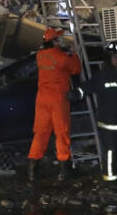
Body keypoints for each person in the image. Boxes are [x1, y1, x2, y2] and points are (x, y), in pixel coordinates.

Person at [27, 28, 82, 181]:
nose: (61, 40)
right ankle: (64, 169)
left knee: (40, 133)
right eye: (58, 38)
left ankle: (32, 169)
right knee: (61, 133)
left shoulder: (40, 56)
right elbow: (76, 69)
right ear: (54, 41)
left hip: (42, 99)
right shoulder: (63, 57)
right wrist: (73, 53)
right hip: (58, 99)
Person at [85, 42, 117, 181]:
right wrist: (74, 93)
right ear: (108, 58)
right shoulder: (102, 75)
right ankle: (110, 177)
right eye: (114, 56)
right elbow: (88, 87)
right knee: (111, 150)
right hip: (107, 121)